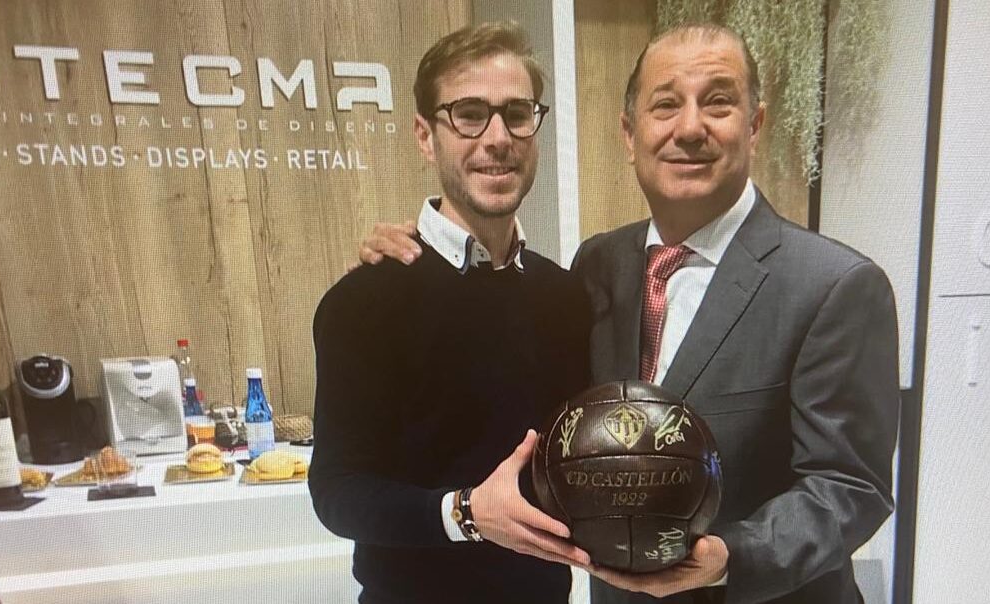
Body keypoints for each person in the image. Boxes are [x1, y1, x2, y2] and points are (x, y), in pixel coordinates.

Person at [359, 22, 900, 604]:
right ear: (629, 133)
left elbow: (851, 486)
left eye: (717, 102)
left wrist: (730, 558)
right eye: (665, 105)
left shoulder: (836, 286)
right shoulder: (597, 265)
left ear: (755, 125)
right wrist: (410, 261)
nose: (689, 128)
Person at [308, 22, 592, 604]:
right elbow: (337, 492)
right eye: (469, 114)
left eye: (517, 113)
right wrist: (465, 513)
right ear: (425, 135)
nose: (498, 138)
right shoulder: (362, 302)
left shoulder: (565, 297)